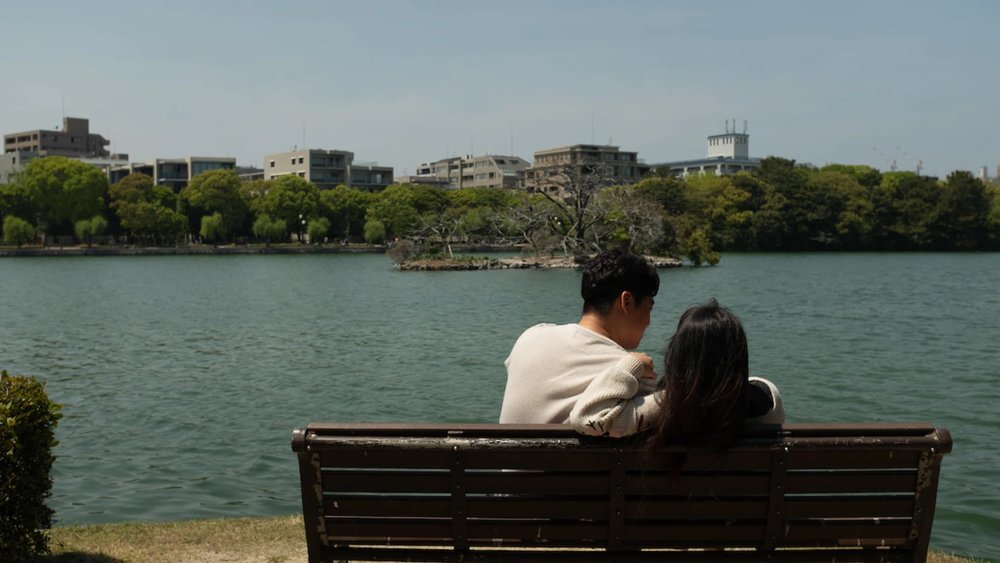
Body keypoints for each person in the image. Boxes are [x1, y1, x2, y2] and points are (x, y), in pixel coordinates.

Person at [570, 299, 783, 442]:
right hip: (748, 508)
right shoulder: (767, 398)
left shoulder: (666, 406)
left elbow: (589, 419)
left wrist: (630, 363)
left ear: (678, 354)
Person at [499, 248, 661, 426]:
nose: (649, 322)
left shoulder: (529, 338)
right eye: (649, 308)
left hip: (497, 454)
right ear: (627, 302)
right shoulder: (629, 375)